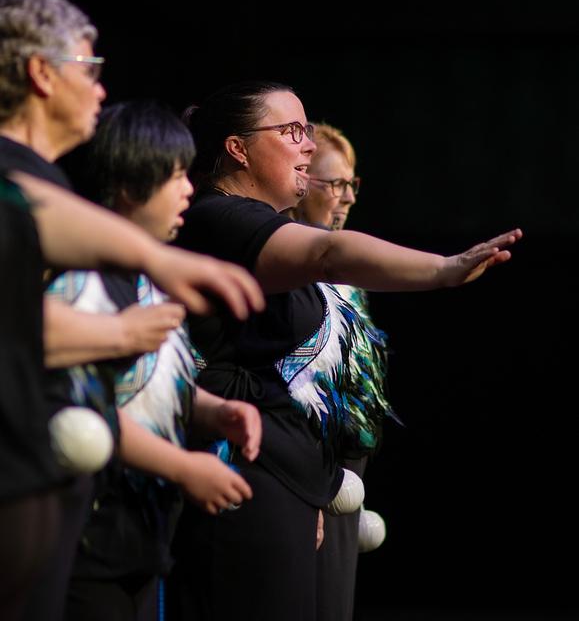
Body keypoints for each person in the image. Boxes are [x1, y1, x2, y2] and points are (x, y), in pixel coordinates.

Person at [167, 80, 522, 621]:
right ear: (237, 148)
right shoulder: (221, 218)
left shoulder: (259, 225)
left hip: (276, 481)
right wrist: (443, 269)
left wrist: (307, 484)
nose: (307, 144)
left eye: (307, 131)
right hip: (236, 476)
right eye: (291, 132)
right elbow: (330, 253)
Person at [0, 0, 264, 621]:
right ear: (41, 72)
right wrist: (121, 328)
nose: (99, 88)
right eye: (88, 68)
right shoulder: (17, 182)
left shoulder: (42, 186)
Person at [45, 101, 262, 620]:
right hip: (85, 544)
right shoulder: (80, 283)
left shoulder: (146, 277)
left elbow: (152, 386)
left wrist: (212, 411)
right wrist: (183, 466)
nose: (189, 189)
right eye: (174, 176)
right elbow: (84, 403)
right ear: (127, 183)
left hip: (140, 540)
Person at [290, 121, 394, 621]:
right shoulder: (284, 279)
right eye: (334, 184)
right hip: (304, 475)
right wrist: (309, 487)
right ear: (297, 180)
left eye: (352, 184)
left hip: (345, 477)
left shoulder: (350, 280)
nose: (347, 197)